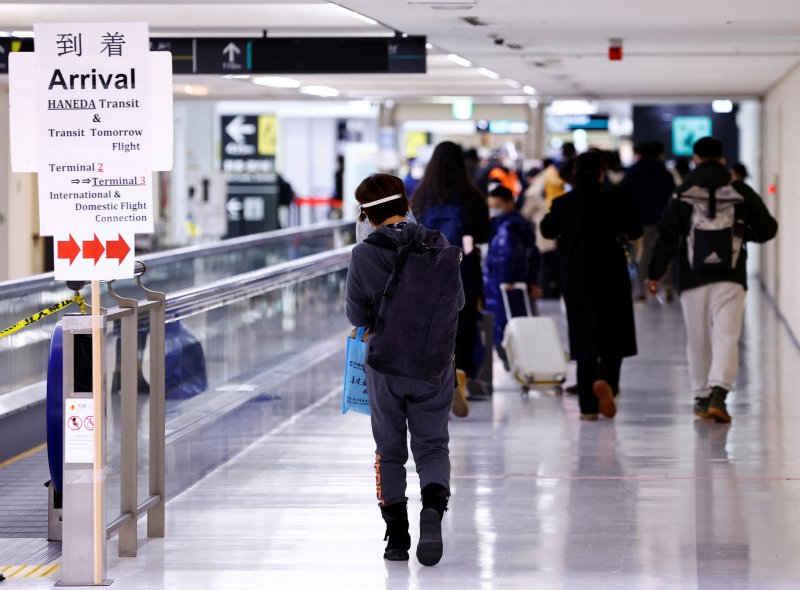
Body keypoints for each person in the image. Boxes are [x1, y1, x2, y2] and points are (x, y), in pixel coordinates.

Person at [345, 173, 464, 566]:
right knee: (432, 446)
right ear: (406, 203)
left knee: (389, 451)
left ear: (366, 213)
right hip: (434, 363)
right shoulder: (437, 243)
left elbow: (356, 313)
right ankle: (433, 509)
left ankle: (397, 537)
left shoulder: (364, 253)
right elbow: (458, 302)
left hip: (386, 364)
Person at [646, 137, 778, 423]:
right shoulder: (740, 190)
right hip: (731, 276)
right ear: (721, 159)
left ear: (695, 159)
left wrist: (654, 274)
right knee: (727, 336)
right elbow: (768, 229)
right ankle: (720, 392)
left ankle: (701, 397)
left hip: (692, 278)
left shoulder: (683, 192)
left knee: (698, 338)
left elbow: (667, 235)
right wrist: (741, 234)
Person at [541, 152, 643, 420]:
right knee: (613, 332)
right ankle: (607, 381)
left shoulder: (564, 203)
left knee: (583, 336)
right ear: (601, 173)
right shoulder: (615, 199)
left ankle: (587, 407)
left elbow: (547, 230)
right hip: (612, 276)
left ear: (575, 174)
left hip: (577, 279)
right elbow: (634, 230)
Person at [412, 141, 491, 417]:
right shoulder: (472, 196)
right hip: (464, 270)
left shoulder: (421, 196)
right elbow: (483, 234)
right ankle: (461, 372)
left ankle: (439, 379)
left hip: (429, 273)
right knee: (465, 322)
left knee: (433, 328)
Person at [483, 185, 542, 368]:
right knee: (514, 322)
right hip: (507, 284)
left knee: (505, 325)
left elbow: (508, 257)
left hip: (504, 285)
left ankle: (513, 363)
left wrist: (508, 281)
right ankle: (517, 362)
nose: (494, 209)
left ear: (509, 203)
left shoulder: (508, 229)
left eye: (498, 205)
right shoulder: (511, 225)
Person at [620, 141, 676, 300]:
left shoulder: (635, 170)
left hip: (641, 220)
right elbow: (672, 194)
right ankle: (666, 286)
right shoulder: (664, 171)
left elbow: (623, 193)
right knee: (665, 253)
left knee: (644, 254)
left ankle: (640, 291)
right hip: (664, 219)